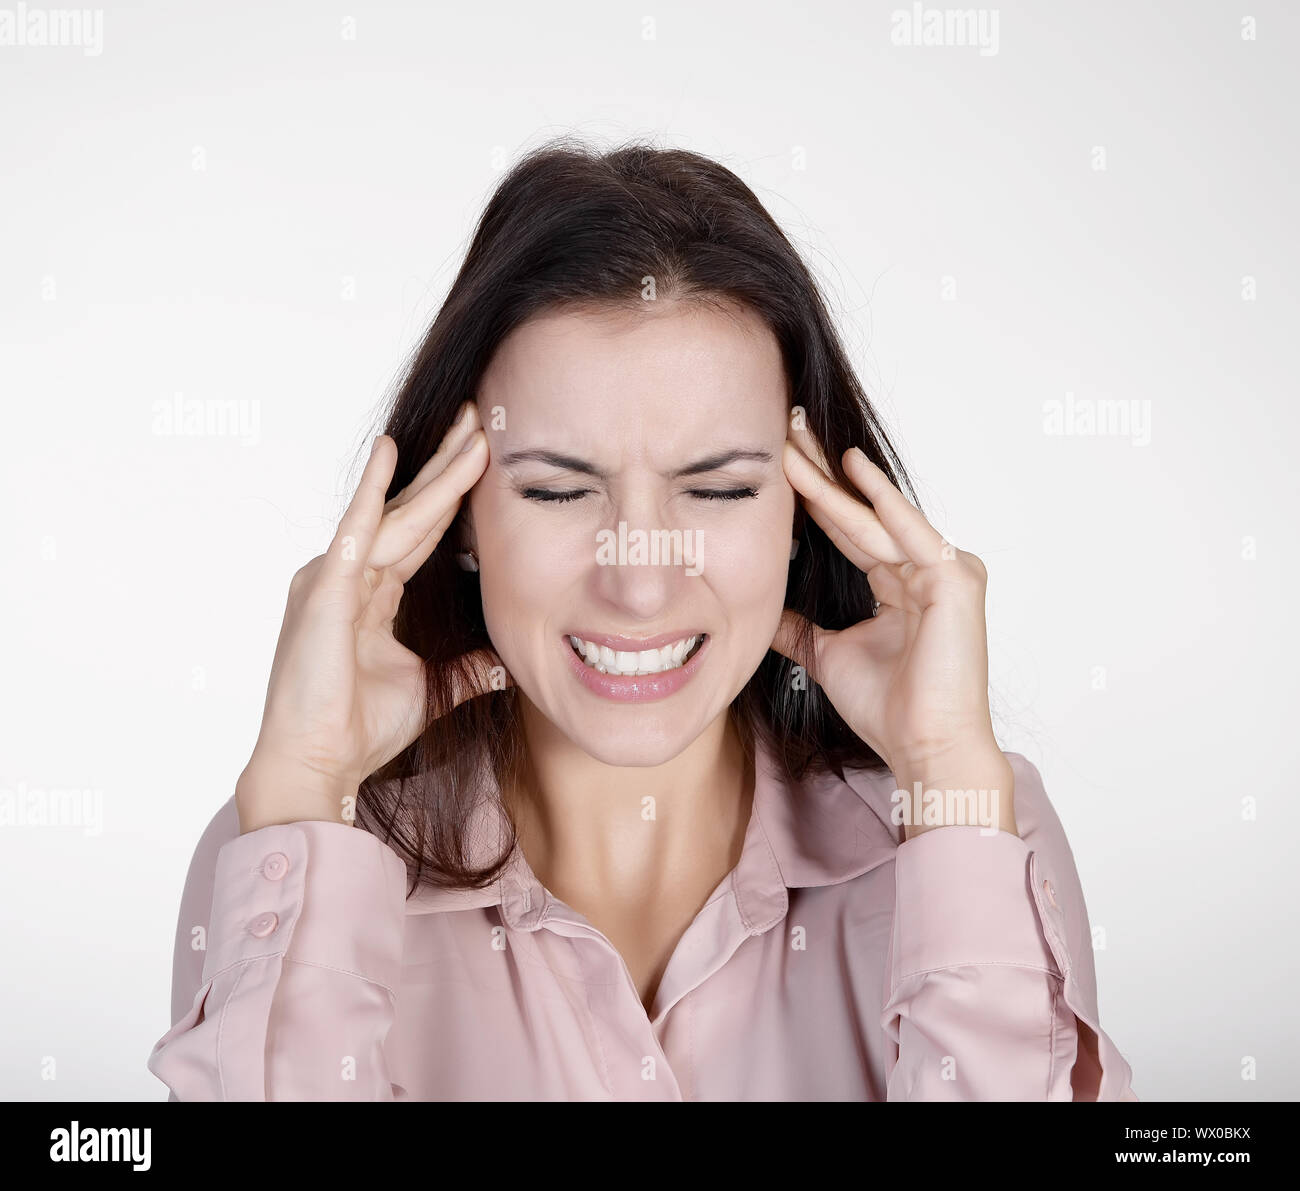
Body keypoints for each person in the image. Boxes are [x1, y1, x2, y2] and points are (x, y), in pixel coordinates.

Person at [147, 138, 1136, 1100]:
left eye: (716, 490)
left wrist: (950, 781)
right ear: (457, 520)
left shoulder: (968, 829)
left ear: (805, 512)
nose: (640, 583)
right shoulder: (291, 846)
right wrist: (304, 785)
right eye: (556, 492)